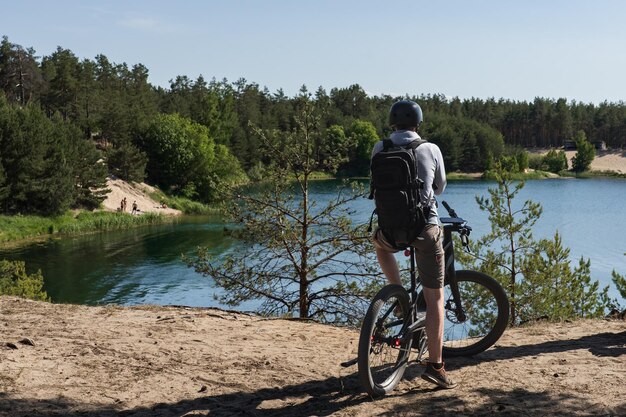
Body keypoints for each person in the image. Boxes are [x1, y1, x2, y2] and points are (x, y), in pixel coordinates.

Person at [371, 100, 456, 389]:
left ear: (392, 123)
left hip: (391, 230)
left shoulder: (379, 148)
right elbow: (440, 186)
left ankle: (398, 298)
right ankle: (436, 366)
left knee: (380, 246)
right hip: (425, 229)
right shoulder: (430, 149)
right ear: (418, 123)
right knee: (435, 300)